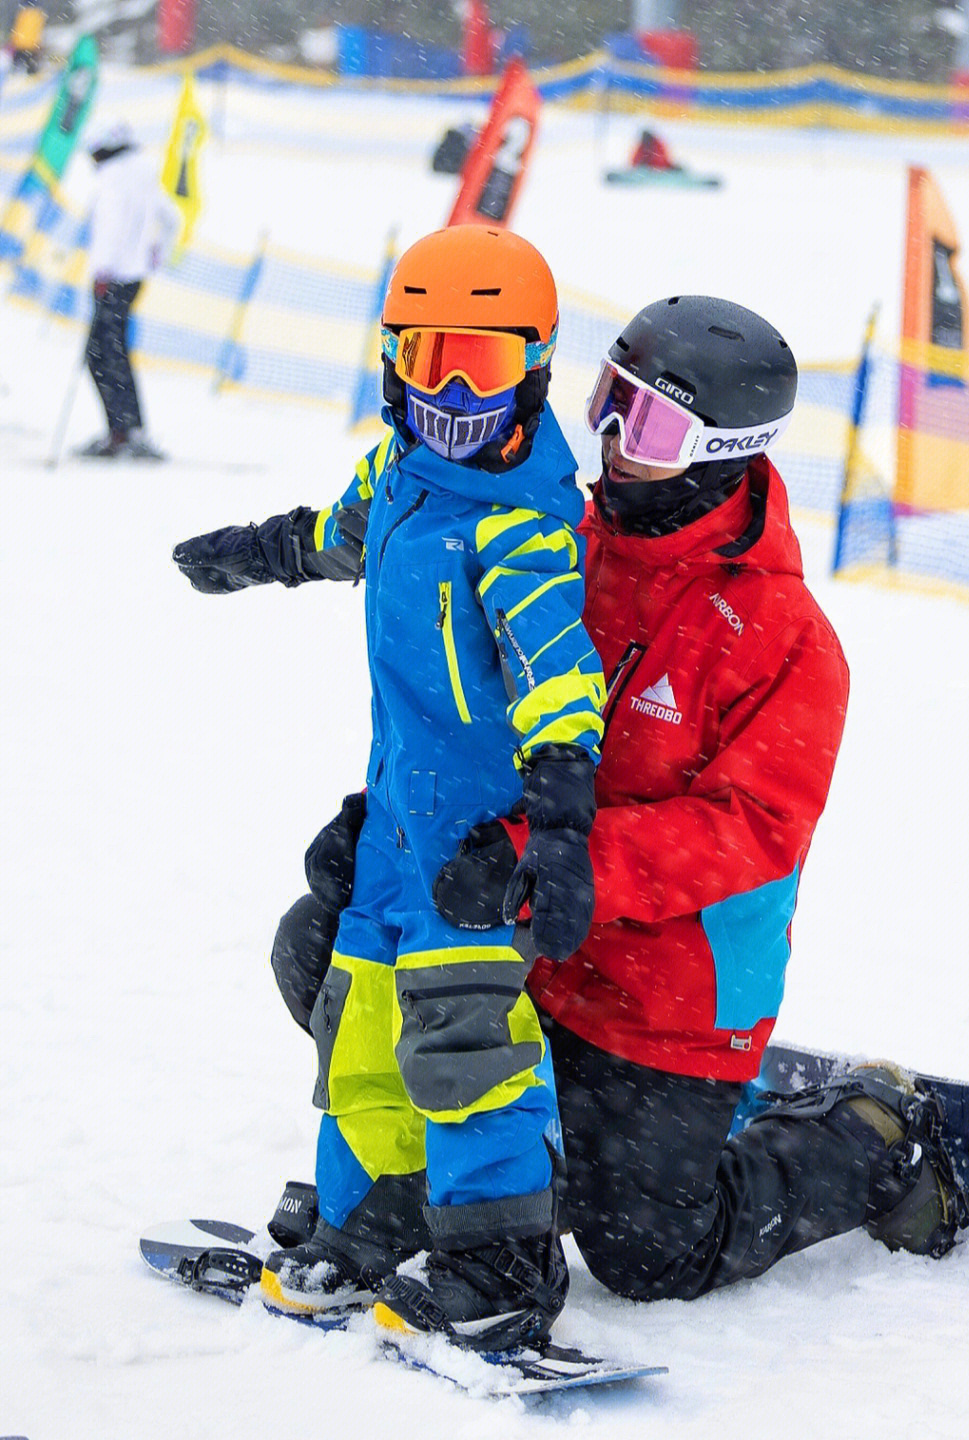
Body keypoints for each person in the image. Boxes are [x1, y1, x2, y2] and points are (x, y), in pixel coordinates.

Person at [269, 294, 966, 1310]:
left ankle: (870, 1135)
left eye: (648, 426)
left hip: (665, 996)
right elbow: (465, 703)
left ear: (728, 450)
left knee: (649, 1255)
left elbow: (751, 831)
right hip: (532, 952)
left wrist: (560, 866)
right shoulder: (562, 544)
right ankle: (438, 1186)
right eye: (611, 400)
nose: (608, 441)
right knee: (325, 945)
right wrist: (387, 824)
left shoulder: (779, 635)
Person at [172, 224, 607, 1351]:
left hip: (476, 850)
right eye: (430, 358)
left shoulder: (525, 527)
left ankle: (503, 1259)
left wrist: (556, 828)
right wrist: (262, 550)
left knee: (468, 1045)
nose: (455, 389)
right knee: (357, 1026)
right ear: (392, 363)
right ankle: (370, 1212)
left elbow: (563, 682)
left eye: (485, 362)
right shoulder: (405, 476)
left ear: (536, 366)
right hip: (396, 835)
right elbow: (344, 531)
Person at [78, 122, 180, 459]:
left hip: (112, 278)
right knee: (113, 352)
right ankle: (127, 429)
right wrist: (157, 253)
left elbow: (110, 226)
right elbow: (172, 217)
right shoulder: (144, 174)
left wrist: (102, 270)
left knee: (100, 354)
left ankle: (123, 433)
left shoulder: (113, 178)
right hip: (133, 278)